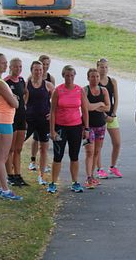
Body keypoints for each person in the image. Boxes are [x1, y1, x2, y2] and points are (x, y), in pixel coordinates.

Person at [49, 65, 89, 194]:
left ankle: (75, 182)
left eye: (72, 75)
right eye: (67, 75)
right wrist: (52, 130)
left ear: (74, 76)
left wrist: (86, 128)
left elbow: (84, 110)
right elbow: (53, 111)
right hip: (60, 127)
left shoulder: (79, 90)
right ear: (63, 76)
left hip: (76, 127)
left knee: (74, 155)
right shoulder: (58, 90)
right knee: (58, 156)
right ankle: (53, 183)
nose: (69, 78)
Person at [0, 53, 22, 200]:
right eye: (2, 63)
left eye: (6, 63)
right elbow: (14, 104)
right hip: (4, 120)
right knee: (2, 157)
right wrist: (14, 99)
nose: (5, 65)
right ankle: (5, 189)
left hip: (1, 119)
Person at [25, 61, 54, 186]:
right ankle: (13, 173)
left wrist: (52, 113)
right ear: (31, 70)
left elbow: (56, 101)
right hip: (29, 120)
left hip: (43, 121)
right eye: (36, 70)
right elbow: (23, 102)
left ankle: (41, 175)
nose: (38, 72)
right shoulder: (26, 85)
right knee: (16, 147)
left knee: (43, 148)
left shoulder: (48, 85)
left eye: (40, 70)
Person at [84, 68, 109, 189]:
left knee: (97, 152)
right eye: (92, 77)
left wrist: (97, 107)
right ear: (88, 78)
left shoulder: (103, 90)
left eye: (97, 77)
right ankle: (88, 177)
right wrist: (99, 104)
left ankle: (92, 176)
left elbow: (108, 107)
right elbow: (87, 107)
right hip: (89, 126)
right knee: (89, 152)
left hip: (101, 125)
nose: (95, 79)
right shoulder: (85, 90)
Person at [97, 58, 122, 178]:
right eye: (102, 67)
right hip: (99, 116)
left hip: (111, 115)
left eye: (106, 67)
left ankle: (113, 166)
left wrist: (113, 114)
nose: (104, 69)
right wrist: (104, 116)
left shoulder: (112, 81)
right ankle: (99, 168)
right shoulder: (95, 81)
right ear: (97, 68)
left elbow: (116, 99)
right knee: (99, 145)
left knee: (117, 142)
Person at [30, 55, 55, 172]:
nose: (44, 67)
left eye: (47, 64)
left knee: (43, 144)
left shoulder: (50, 79)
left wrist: (52, 112)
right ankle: (33, 160)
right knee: (35, 138)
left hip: (44, 114)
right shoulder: (29, 80)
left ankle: (43, 167)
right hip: (32, 116)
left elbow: (54, 98)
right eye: (42, 64)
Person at [5, 58, 28, 187]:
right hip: (11, 118)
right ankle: (10, 175)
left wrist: (24, 104)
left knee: (18, 149)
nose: (18, 69)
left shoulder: (21, 80)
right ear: (11, 67)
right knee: (10, 149)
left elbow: (25, 93)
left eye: (20, 67)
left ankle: (18, 174)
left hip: (21, 116)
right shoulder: (6, 82)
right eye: (16, 67)